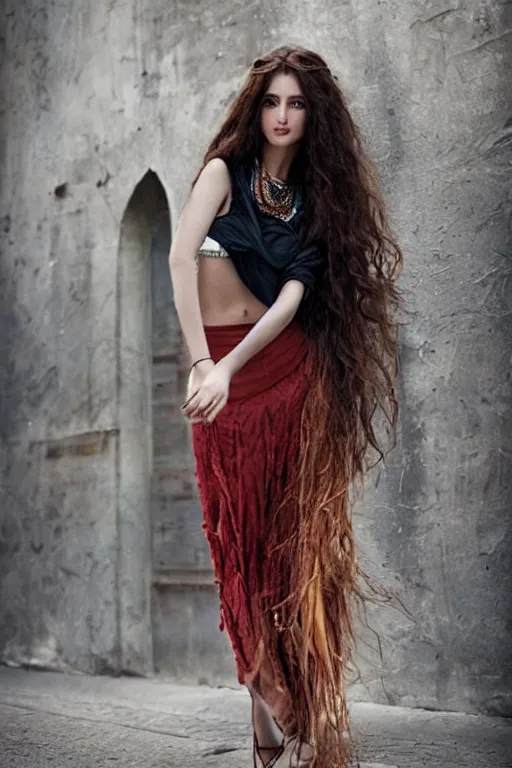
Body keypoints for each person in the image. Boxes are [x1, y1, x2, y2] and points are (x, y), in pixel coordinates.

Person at [168, 45, 403, 768]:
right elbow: (181, 258)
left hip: (285, 376)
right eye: (272, 100)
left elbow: (296, 297)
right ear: (254, 107)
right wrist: (207, 364)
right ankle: (274, 703)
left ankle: (274, 730)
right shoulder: (223, 176)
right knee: (235, 543)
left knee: (289, 553)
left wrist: (233, 365)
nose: (281, 115)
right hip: (220, 383)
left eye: (296, 104)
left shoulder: (311, 204)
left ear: (313, 117)